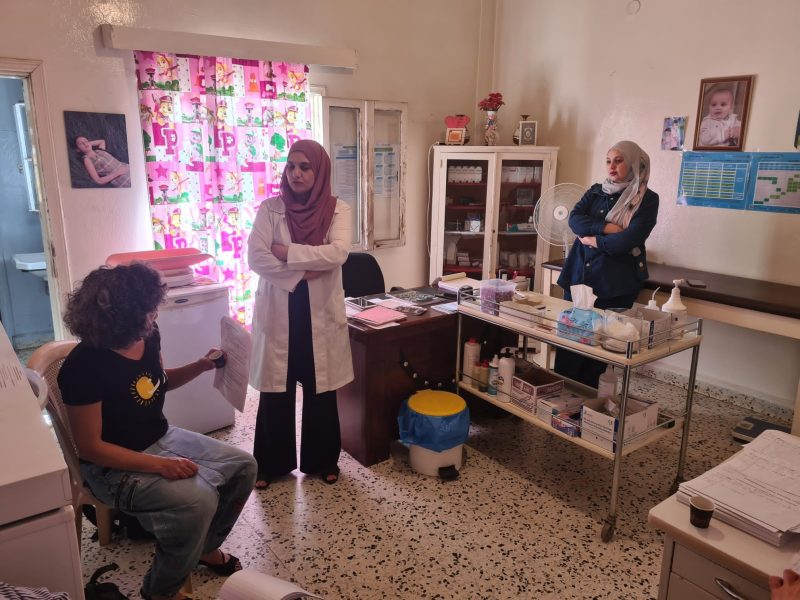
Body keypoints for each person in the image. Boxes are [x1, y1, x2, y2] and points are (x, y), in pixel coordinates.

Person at [57, 263, 257, 600]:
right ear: (122, 318)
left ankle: (204, 549)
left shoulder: (147, 335)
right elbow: (90, 448)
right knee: (198, 500)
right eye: (149, 310)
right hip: (110, 468)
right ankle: (159, 592)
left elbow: (155, 385)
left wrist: (201, 365)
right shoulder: (83, 367)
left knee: (244, 467)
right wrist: (162, 465)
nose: (155, 314)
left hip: (159, 437)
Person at [247, 139, 353, 490]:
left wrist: (285, 252)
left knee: (321, 391)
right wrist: (301, 272)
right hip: (281, 313)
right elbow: (257, 258)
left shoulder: (339, 210)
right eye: (291, 166)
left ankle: (323, 461)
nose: (296, 173)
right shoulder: (271, 209)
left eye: (305, 167)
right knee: (275, 391)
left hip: (319, 316)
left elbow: (337, 253)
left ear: (319, 171)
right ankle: (270, 465)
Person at [554, 140, 659, 387]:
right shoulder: (596, 191)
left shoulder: (647, 199)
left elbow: (631, 238)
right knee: (571, 338)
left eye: (619, 160)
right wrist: (606, 228)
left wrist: (595, 242)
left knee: (600, 346)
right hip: (579, 275)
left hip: (614, 282)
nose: (612, 166)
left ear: (635, 163)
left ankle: (589, 405)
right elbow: (575, 220)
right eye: (608, 160)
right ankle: (559, 394)